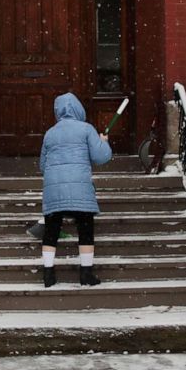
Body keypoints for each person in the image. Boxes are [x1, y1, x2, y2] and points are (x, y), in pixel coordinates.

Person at [39, 92, 112, 288]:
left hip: (54, 189)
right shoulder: (86, 129)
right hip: (80, 186)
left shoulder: (50, 133)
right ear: (79, 109)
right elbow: (101, 157)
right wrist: (103, 141)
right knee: (85, 229)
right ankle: (86, 274)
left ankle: (48, 274)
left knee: (51, 230)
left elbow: (42, 165)